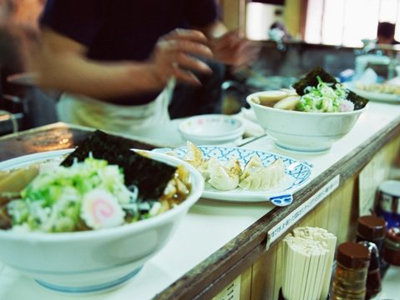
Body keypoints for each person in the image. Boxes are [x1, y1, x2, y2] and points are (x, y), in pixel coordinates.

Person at [35, 0, 258, 133]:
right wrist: (145, 75)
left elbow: (209, 26)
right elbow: (54, 68)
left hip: (154, 112)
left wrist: (220, 44)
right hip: (88, 117)